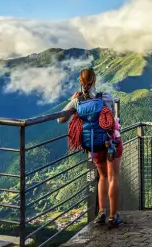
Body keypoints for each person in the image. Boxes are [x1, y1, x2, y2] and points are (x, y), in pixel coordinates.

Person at [57, 67, 123, 227]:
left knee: (102, 177)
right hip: (111, 142)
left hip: (93, 145)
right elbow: (112, 116)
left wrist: (72, 100)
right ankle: (113, 216)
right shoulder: (106, 97)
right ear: (94, 80)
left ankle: (101, 212)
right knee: (113, 176)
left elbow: (60, 119)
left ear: (80, 82)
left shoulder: (77, 102)